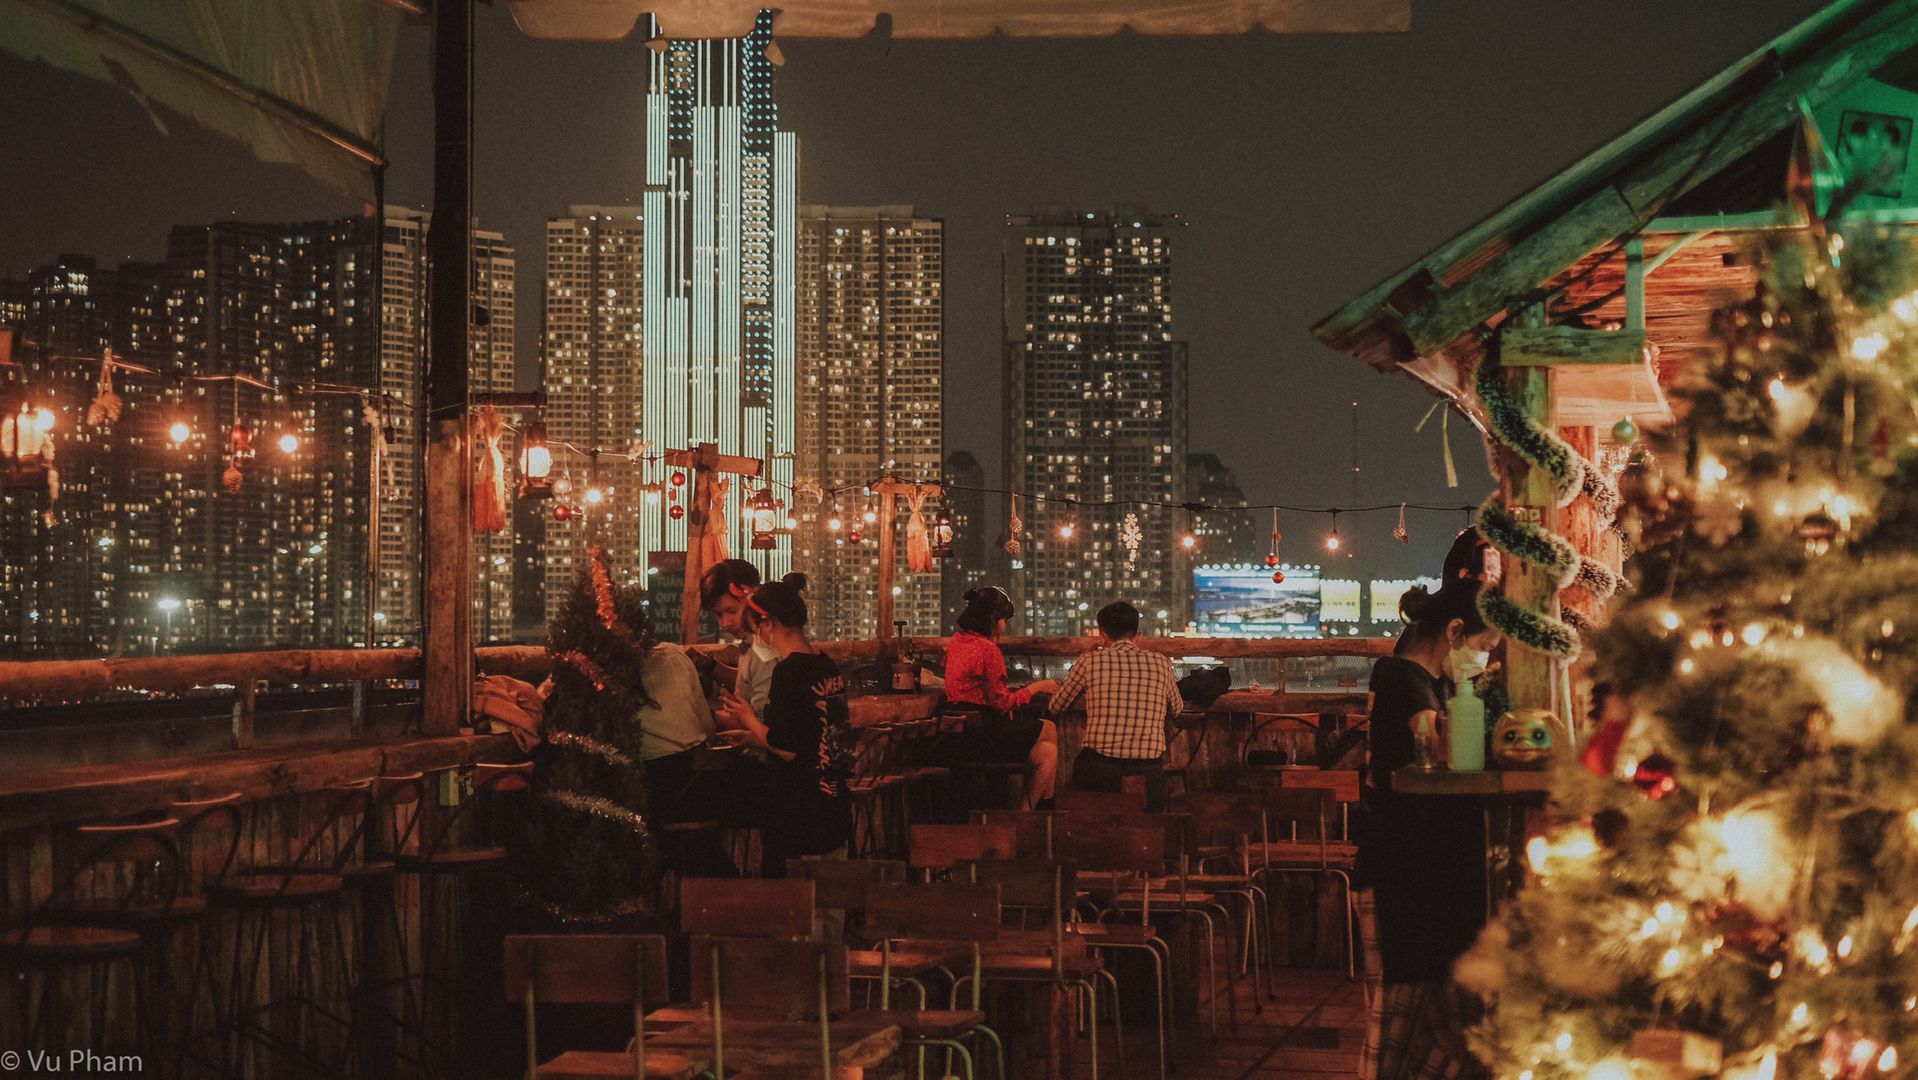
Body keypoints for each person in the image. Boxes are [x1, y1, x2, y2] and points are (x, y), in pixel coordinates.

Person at [1357, 528, 1501, 1080]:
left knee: (1443, 1026)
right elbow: (1435, 745)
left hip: (1425, 872)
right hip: (1398, 873)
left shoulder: (1426, 680)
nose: (1484, 662)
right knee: (1394, 1019)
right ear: (1456, 631)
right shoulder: (1403, 678)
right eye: (1483, 648)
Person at [711, 574, 854, 878]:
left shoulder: (788, 672)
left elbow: (787, 749)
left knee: (801, 904)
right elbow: (819, 734)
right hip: (834, 798)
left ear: (769, 625)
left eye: (756, 628)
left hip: (800, 805)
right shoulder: (826, 665)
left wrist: (749, 717)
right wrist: (754, 736)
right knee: (834, 900)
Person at [1051, 600, 1182, 812]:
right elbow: (1176, 708)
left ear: (1102, 634)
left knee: (1088, 813)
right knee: (1149, 832)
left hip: (1100, 768)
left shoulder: (1090, 661)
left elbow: (1056, 705)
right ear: (1137, 634)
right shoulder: (1162, 663)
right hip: (1147, 770)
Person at [939, 586, 1060, 810]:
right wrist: (1037, 687)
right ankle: (1038, 813)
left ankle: (1029, 812)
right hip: (984, 735)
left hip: (958, 737)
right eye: (1004, 620)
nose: (1005, 627)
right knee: (1050, 728)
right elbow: (1002, 703)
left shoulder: (956, 642)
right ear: (993, 618)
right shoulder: (988, 649)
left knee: (1048, 752)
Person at [631, 639, 738, 878]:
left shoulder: (603, 665)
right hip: (694, 784)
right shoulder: (672, 654)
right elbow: (706, 725)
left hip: (643, 790)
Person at [700, 558, 777, 714]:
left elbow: (764, 719)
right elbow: (751, 680)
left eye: (732, 611)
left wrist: (710, 719)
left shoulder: (764, 650)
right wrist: (711, 666)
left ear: (754, 597)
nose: (724, 623)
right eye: (718, 615)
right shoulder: (752, 643)